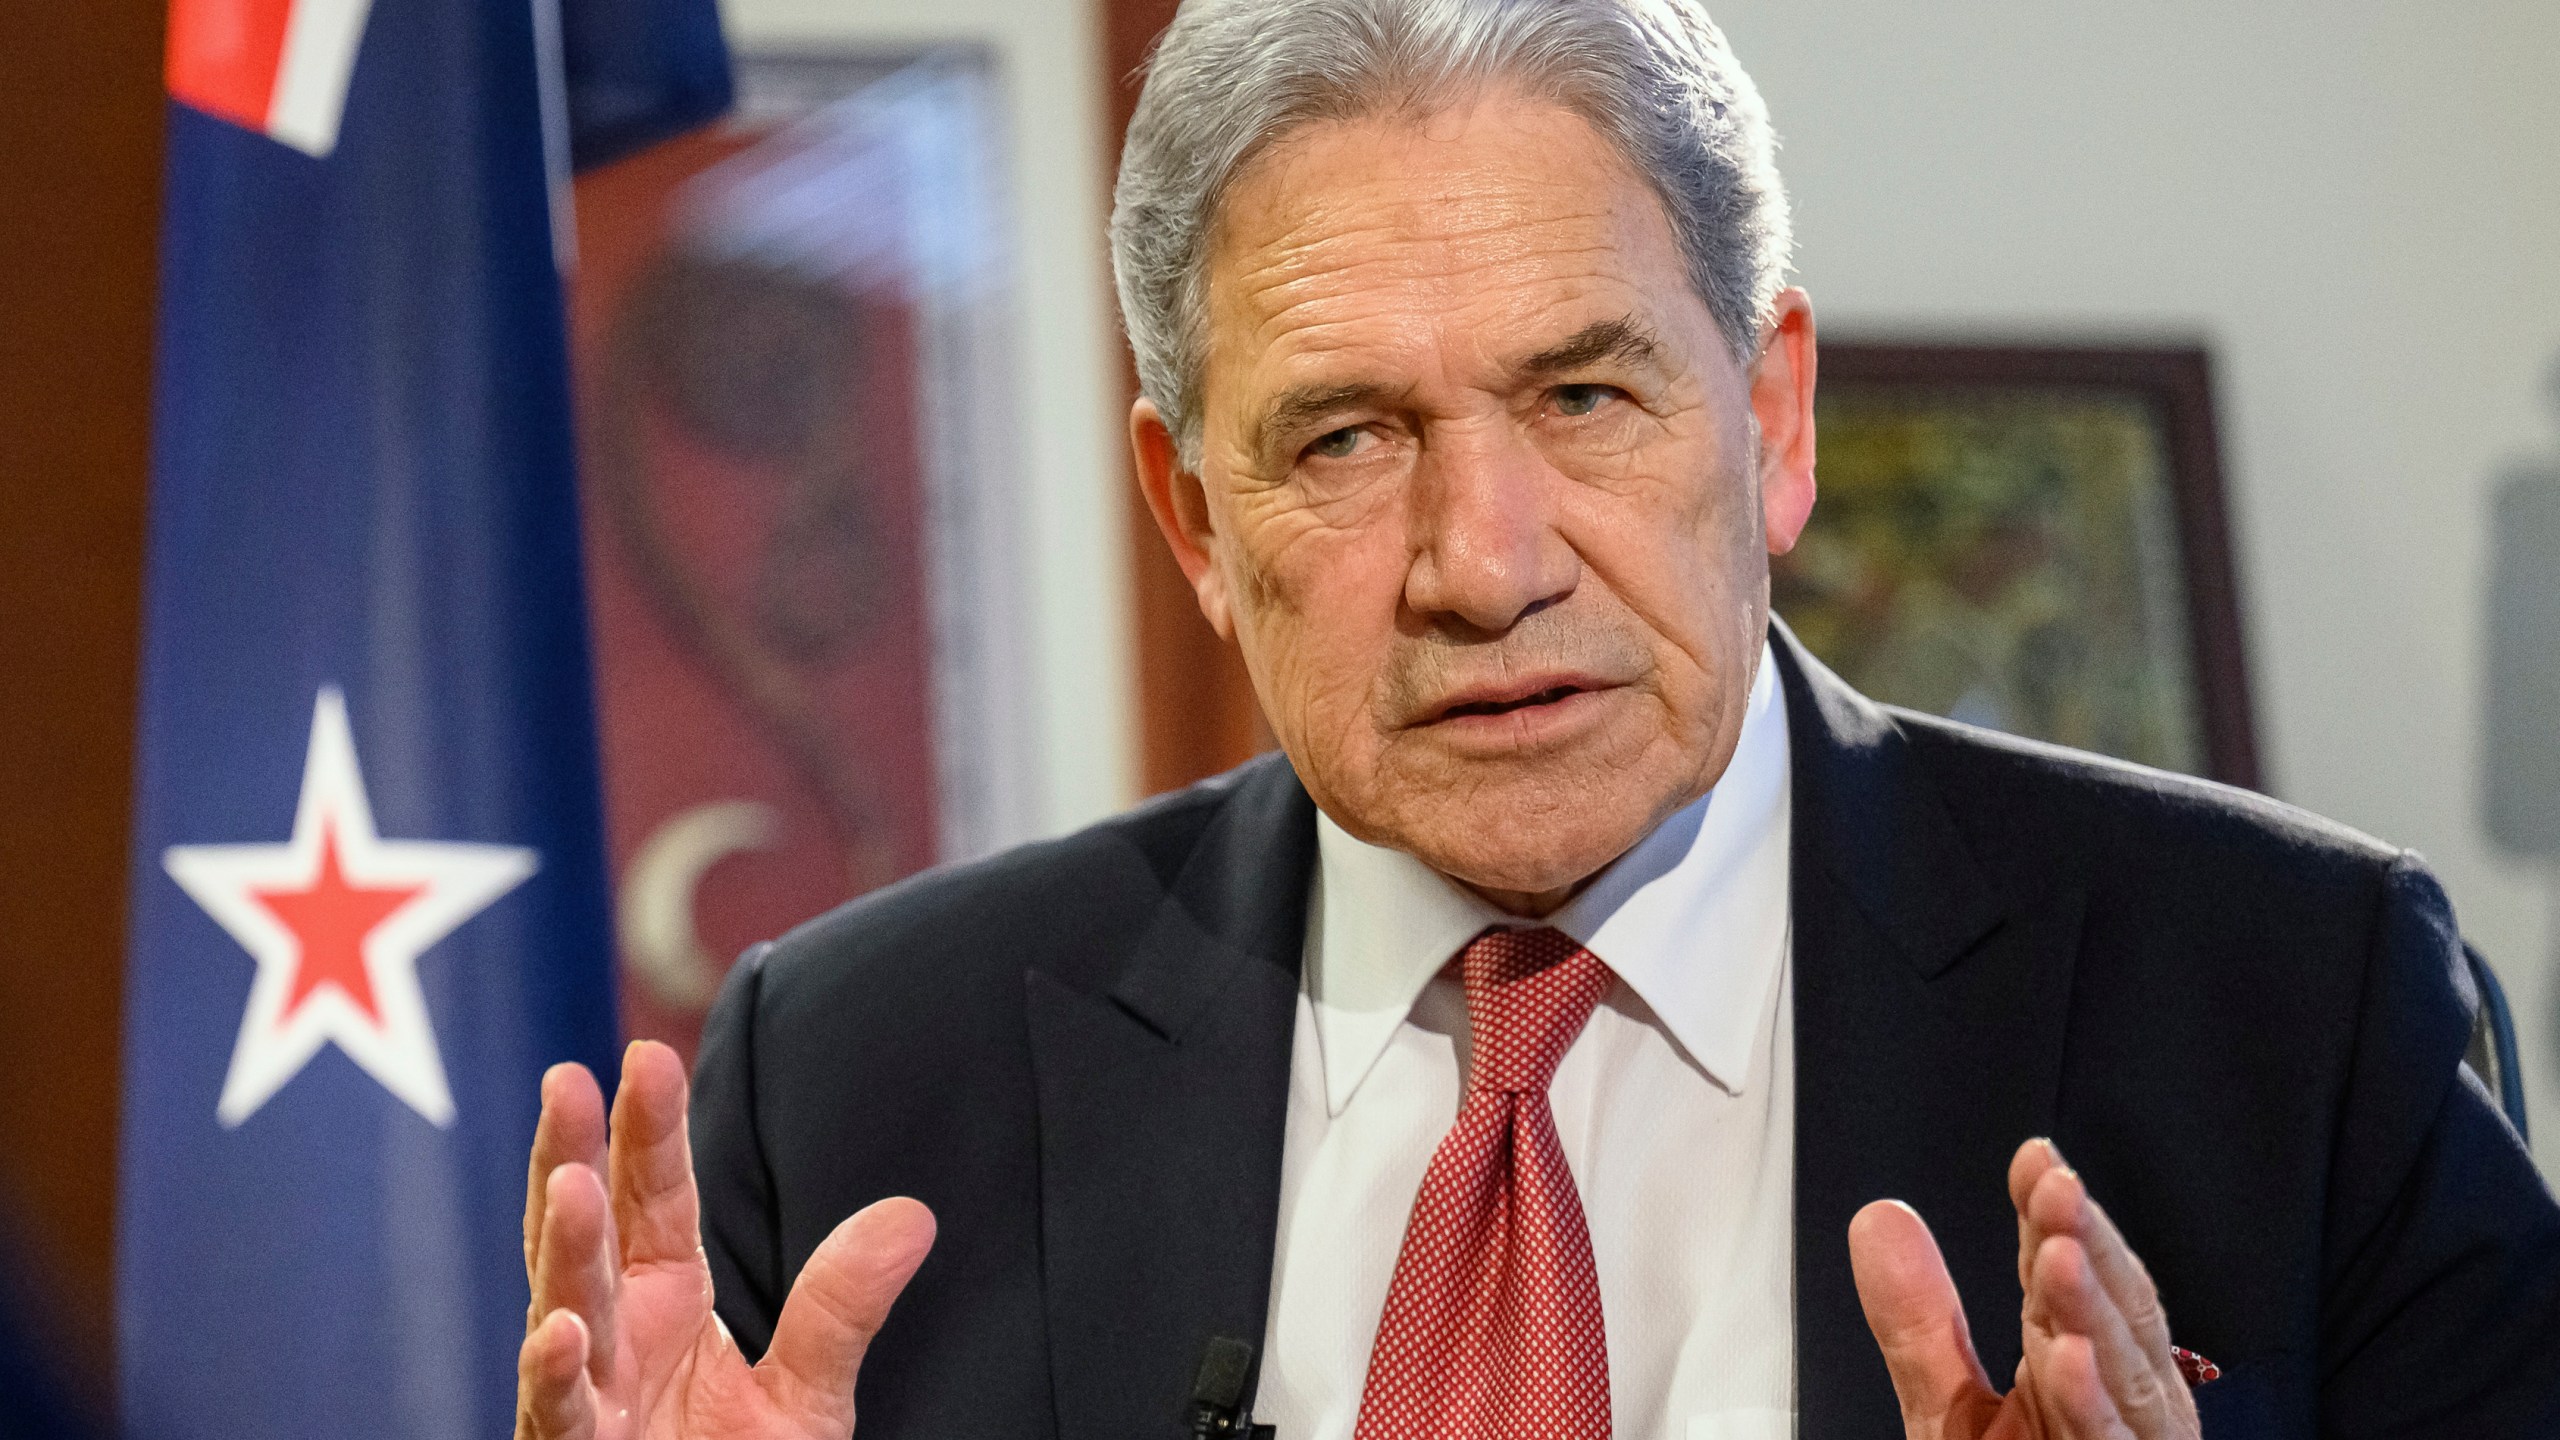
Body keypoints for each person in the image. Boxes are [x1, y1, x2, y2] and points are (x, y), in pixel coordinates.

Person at [513, 1, 2560, 1437]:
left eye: (1582, 398)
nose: (1479, 562)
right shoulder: (861, 1077)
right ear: (1191, 520)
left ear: (1764, 421)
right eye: (1339, 438)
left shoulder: (2285, 1014)